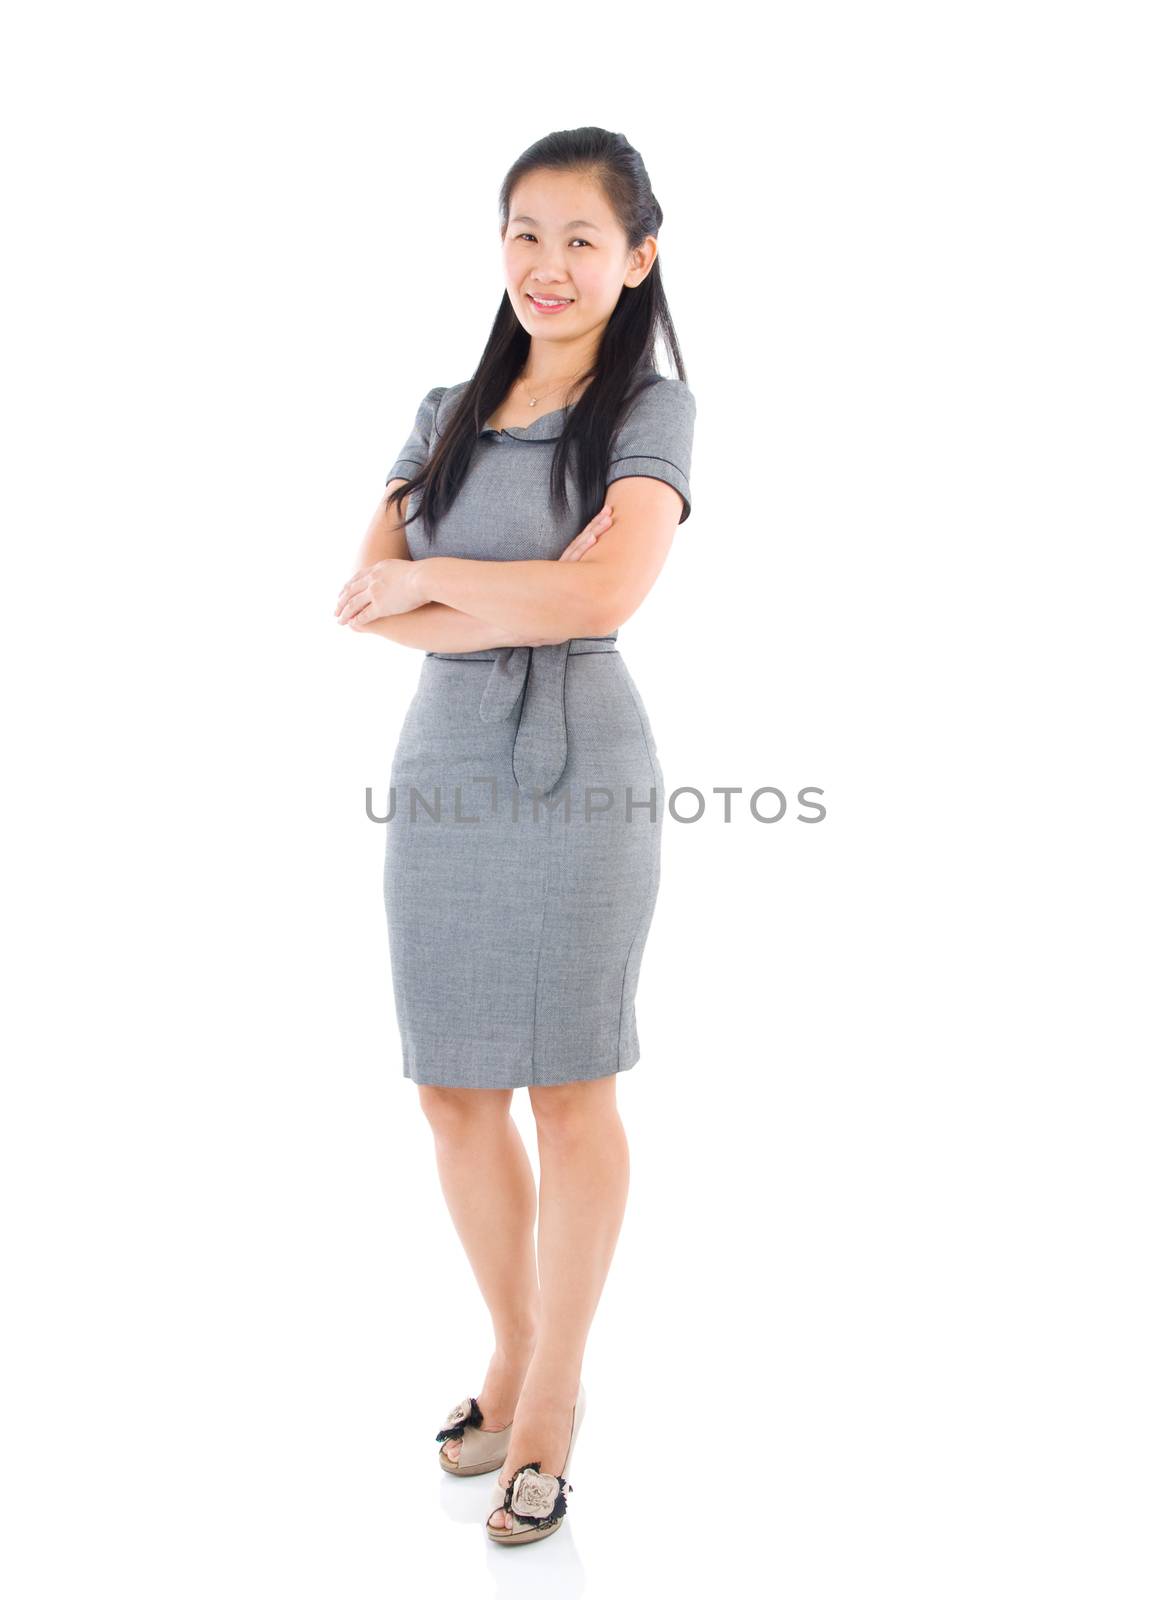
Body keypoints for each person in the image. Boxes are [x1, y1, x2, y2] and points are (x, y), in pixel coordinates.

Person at [334, 126, 695, 1545]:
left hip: (580, 771)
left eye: (582, 241)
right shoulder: (442, 410)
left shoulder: (651, 409)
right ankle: (511, 1343)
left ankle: (547, 1398)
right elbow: (362, 594)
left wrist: (455, 585)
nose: (549, 266)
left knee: (571, 1086)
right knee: (451, 1090)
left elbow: (601, 603)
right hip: (442, 773)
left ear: (637, 258)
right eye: (526, 234)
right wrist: (525, 586)